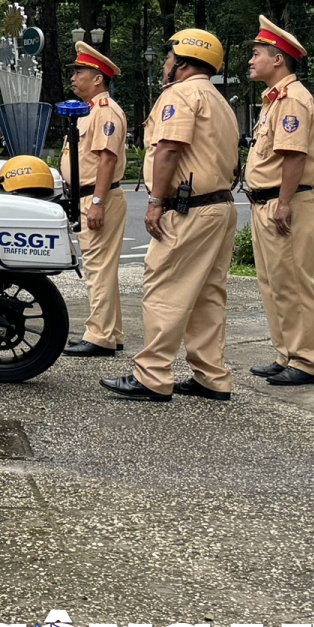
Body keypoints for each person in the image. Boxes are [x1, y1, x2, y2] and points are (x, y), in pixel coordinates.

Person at [102, 28, 241, 403]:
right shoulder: (218, 99)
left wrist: (155, 201)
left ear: (181, 62)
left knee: (164, 286)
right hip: (220, 206)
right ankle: (212, 376)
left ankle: (152, 374)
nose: (165, 65)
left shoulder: (180, 94)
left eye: (168, 59)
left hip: (189, 208)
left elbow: (168, 150)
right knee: (208, 294)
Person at [244, 16, 314, 387]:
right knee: (273, 282)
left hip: (283, 202)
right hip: (268, 201)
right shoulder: (274, 100)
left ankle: (305, 361)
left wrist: (285, 202)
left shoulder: (292, 99)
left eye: (257, 53)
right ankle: (285, 353)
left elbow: (293, 156)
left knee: (292, 282)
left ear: (278, 59)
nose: (251, 59)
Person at [61, 42, 131, 358]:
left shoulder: (105, 111)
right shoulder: (90, 110)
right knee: (101, 269)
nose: (74, 77)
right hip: (90, 196)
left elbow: (106, 159)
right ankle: (110, 332)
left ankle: (99, 335)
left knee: (98, 270)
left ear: (98, 78)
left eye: (79, 72)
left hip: (97, 197)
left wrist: (98, 202)